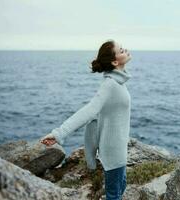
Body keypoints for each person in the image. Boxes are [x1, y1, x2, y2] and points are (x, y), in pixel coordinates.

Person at [39, 39, 132, 200]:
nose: (126, 50)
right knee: (114, 195)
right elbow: (88, 111)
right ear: (115, 61)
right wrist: (58, 133)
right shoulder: (109, 85)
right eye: (121, 50)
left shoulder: (119, 83)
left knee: (120, 188)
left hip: (119, 148)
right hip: (113, 151)